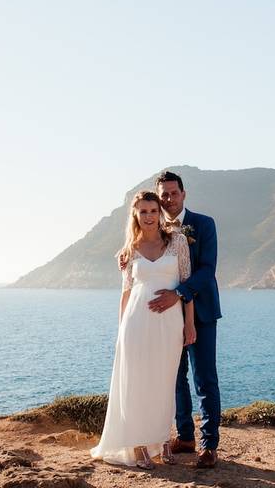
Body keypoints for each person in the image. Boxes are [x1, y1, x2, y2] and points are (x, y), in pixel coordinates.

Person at [90, 191, 196, 469]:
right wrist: (120, 330)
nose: (148, 216)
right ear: (135, 216)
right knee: (137, 382)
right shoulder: (129, 250)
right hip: (136, 322)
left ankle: (162, 440)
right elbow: (126, 293)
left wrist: (189, 323)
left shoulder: (178, 242)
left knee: (164, 382)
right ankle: (138, 446)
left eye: (153, 210)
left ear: (159, 213)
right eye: (143, 211)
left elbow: (187, 284)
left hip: (170, 322)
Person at [149, 170, 222, 469]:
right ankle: (185, 436)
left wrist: (179, 293)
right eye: (163, 194)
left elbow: (207, 269)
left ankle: (209, 445)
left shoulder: (203, 225)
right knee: (175, 378)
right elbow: (140, 253)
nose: (168, 199)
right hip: (166, 317)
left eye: (173, 193)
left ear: (183, 194)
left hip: (201, 313)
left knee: (204, 379)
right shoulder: (154, 229)